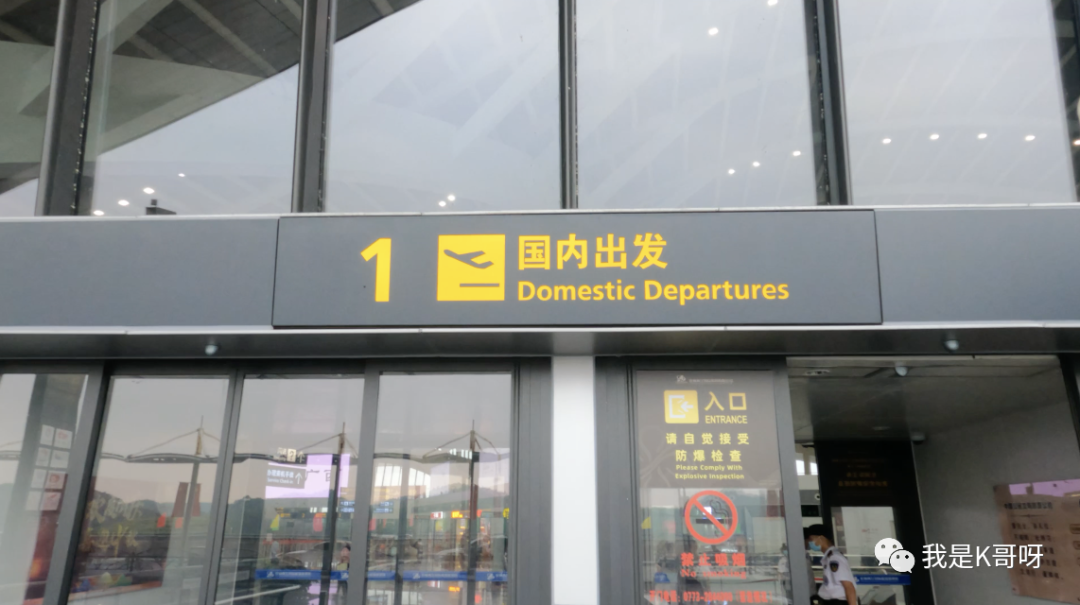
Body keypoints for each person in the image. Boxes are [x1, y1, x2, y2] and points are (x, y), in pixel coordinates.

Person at [805, 524, 857, 605]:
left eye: (811, 539)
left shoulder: (834, 558)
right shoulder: (829, 557)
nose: (809, 542)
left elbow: (848, 586)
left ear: (821, 538)